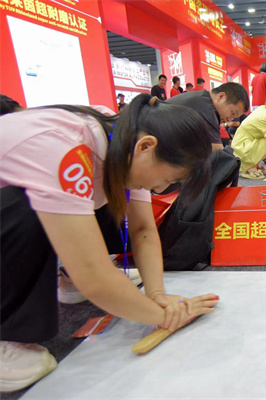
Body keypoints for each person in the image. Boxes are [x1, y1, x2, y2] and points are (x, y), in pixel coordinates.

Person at [0, 94, 219, 392]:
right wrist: (166, 316)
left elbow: (142, 229)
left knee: (110, 194)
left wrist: (156, 294)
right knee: (27, 207)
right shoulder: (66, 150)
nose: (160, 188)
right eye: (169, 179)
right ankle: (7, 334)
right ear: (146, 147)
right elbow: (94, 278)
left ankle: (68, 276)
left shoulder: (121, 137)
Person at [167, 82, 249, 151]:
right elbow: (218, 155)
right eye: (232, 113)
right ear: (221, 96)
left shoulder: (202, 98)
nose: (230, 119)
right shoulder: (207, 109)